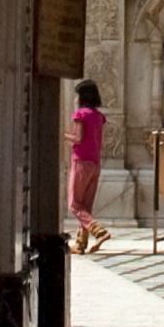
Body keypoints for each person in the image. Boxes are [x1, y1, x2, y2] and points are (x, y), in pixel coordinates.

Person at [64, 78, 107, 249]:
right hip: (95, 164)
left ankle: (98, 230)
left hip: (81, 162)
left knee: (74, 205)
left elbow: (78, 138)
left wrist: (62, 135)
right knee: (86, 206)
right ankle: (81, 243)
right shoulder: (98, 116)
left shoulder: (81, 115)